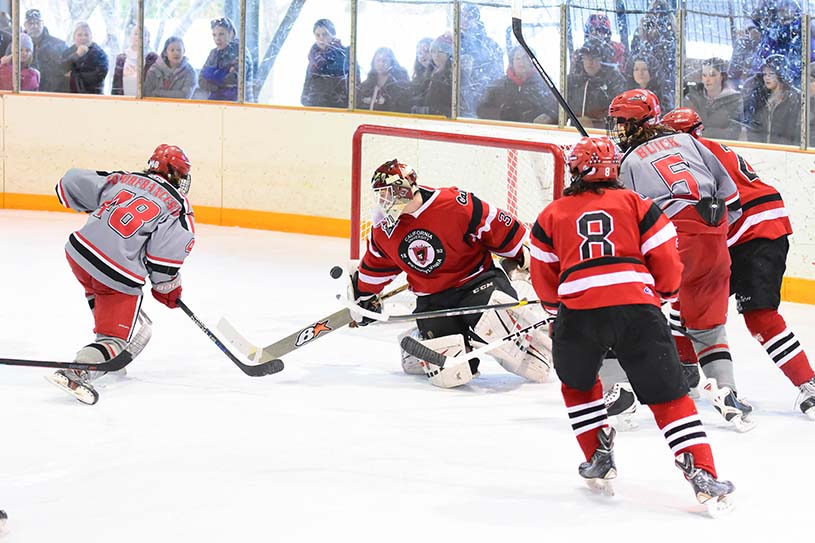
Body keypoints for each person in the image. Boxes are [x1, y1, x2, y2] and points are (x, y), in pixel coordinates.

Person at [529, 135, 734, 515]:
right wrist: (663, 296)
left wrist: (557, 312)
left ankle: (598, 455)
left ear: (576, 168)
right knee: (670, 396)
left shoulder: (552, 214)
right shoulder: (639, 204)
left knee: (578, 385)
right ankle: (701, 471)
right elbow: (667, 257)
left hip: (579, 311)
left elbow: (543, 273)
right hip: (637, 307)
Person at [607, 89, 751, 430]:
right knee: (709, 326)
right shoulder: (689, 143)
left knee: (620, 312)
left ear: (638, 124)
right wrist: (712, 238)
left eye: (622, 122)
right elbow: (732, 198)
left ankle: (619, 389)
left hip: (671, 244)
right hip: (715, 244)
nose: (618, 129)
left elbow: (628, 221)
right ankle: (726, 392)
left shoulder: (628, 163)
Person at [661, 107, 815, 419]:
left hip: (755, 231)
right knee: (684, 296)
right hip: (744, 232)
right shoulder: (707, 149)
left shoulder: (692, 159)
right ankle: (687, 372)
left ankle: (808, 383)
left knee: (760, 315)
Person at [348, 159, 552, 388]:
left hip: (477, 283)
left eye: (387, 194)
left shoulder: (455, 204)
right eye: (380, 196)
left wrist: (522, 255)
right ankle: (419, 339)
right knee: (451, 375)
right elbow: (377, 265)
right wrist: (363, 296)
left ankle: (529, 339)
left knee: (536, 368)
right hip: (433, 300)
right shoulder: (384, 228)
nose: (383, 202)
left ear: (404, 191)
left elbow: (495, 225)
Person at [48, 144, 195, 405]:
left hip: (79, 254)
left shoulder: (124, 178)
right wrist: (169, 289)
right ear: (179, 176)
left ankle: (103, 349)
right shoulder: (177, 207)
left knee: (100, 289)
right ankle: (81, 368)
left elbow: (70, 181)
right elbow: (163, 261)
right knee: (115, 339)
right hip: (115, 272)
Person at [477, 45, 558, 124]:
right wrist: (501, 115)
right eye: (517, 58)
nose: (521, 62)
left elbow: (558, 109)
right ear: (512, 62)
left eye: (525, 58)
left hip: (536, 131)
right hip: (506, 131)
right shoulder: (498, 85)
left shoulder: (545, 84)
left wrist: (549, 117)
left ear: (532, 62)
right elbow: (481, 110)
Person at [566, 37, 625, 130]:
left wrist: (595, 125)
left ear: (603, 60)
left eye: (594, 58)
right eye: (586, 57)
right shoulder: (573, 80)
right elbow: (561, 107)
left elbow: (621, 113)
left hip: (604, 135)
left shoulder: (614, 80)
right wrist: (551, 117)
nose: (590, 62)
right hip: (574, 132)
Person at [1, 9, 66, 92]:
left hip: (52, 93)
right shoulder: (14, 45)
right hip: (24, 93)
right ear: (25, 25)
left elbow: (64, 71)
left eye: (37, 23)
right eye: (30, 23)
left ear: (43, 24)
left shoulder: (58, 45)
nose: (34, 26)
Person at [744, 54, 801, 146]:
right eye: (765, 74)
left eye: (771, 74)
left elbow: (796, 131)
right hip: (762, 150)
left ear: (780, 74)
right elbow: (753, 126)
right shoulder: (760, 96)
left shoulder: (795, 97)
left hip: (787, 151)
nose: (766, 77)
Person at [458, 4, 504, 117]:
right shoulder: (450, 42)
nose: (465, 20)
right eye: (462, 16)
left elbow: (498, 75)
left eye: (470, 17)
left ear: (476, 19)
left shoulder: (490, 45)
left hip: (483, 96)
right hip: (455, 98)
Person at [683, 57, 743, 140]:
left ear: (722, 76)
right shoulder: (692, 98)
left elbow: (733, 132)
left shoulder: (735, 99)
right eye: (704, 75)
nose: (707, 79)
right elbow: (685, 128)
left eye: (712, 75)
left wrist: (703, 133)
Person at [199, 17, 254, 102]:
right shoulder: (213, 53)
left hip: (240, 104)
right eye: (214, 35)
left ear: (231, 34)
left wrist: (212, 76)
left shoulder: (241, 51)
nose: (217, 38)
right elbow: (201, 80)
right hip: (217, 103)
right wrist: (221, 80)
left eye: (221, 34)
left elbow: (235, 78)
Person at [300, 18, 351, 108]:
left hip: (338, 108)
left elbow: (354, 83)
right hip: (314, 107)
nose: (321, 38)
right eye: (317, 35)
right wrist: (306, 100)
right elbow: (308, 82)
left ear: (333, 34)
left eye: (325, 34)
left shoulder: (345, 54)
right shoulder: (313, 57)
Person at [410, 34, 456, 117]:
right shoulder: (424, 76)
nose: (422, 56)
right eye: (419, 53)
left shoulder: (451, 76)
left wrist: (427, 110)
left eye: (427, 51)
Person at [356, 47, 409, 112]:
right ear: (373, 62)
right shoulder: (365, 85)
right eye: (378, 60)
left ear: (392, 63)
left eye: (384, 61)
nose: (381, 64)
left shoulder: (400, 85)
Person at [60, 21, 108, 94]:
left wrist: (73, 76)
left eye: (86, 35)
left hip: (93, 97)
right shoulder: (68, 52)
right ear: (74, 37)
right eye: (79, 35)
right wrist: (77, 55)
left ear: (91, 37)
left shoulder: (99, 54)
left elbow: (98, 77)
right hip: (70, 96)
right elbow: (61, 69)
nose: (83, 38)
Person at [112, 25, 158, 96]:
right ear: (131, 37)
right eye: (136, 34)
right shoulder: (121, 58)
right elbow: (115, 85)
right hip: (123, 100)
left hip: (146, 101)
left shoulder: (153, 58)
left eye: (144, 34)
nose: (139, 37)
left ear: (148, 39)